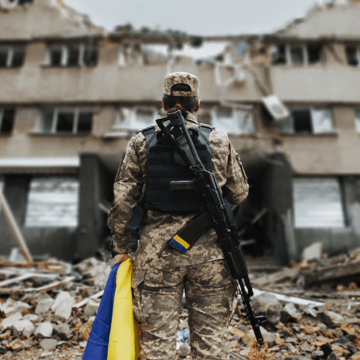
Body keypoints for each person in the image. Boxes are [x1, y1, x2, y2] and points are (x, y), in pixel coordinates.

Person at [107, 72, 249, 359]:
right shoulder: (218, 140)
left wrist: (121, 248)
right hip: (212, 258)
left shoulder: (140, 142)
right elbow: (239, 194)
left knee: (158, 344)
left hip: (157, 258)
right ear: (197, 105)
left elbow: (123, 201)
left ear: (163, 103)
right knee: (211, 345)